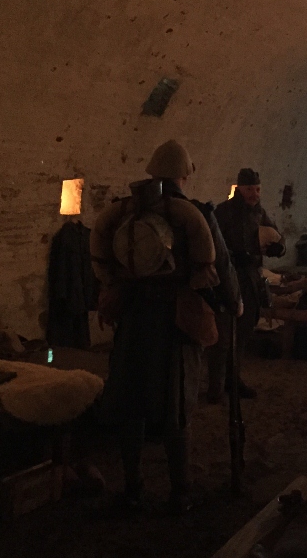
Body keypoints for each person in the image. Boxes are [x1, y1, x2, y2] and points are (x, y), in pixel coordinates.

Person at [90, 140, 241, 513]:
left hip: (131, 319)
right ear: (185, 174)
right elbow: (218, 265)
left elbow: (103, 261)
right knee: (177, 403)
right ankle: (180, 491)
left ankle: (133, 486)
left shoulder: (122, 212)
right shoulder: (192, 213)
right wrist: (232, 301)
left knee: (131, 403)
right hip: (176, 320)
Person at [207, 168, 286, 402]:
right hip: (227, 279)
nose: (255, 193)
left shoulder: (259, 213)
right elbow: (212, 245)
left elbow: (278, 238)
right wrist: (233, 256)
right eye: (250, 189)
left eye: (258, 189)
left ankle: (233, 380)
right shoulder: (222, 212)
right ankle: (216, 388)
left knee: (242, 333)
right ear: (239, 188)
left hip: (250, 279)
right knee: (222, 337)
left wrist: (278, 248)